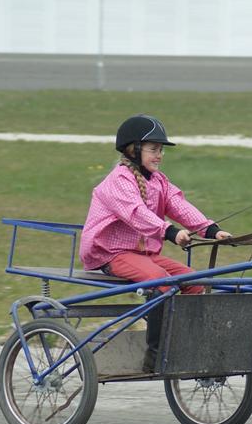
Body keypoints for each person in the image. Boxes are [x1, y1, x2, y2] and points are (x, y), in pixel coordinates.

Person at [80, 114, 231, 372]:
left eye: (161, 150)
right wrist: (170, 232)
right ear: (133, 149)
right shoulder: (118, 180)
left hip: (144, 254)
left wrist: (211, 230)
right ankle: (156, 354)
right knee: (161, 281)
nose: (159, 155)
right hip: (112, 254)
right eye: (153, 149)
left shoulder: (158, 180)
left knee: (196, 281)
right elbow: (136, 213)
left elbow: (179, 206)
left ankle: (183, 342)